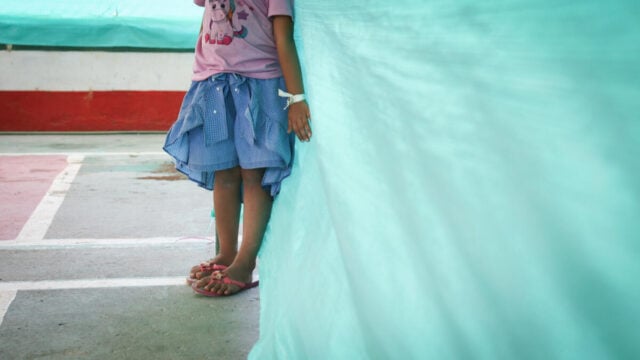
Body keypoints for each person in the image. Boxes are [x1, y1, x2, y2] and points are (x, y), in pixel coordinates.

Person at [164, 0, 310, 296]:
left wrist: (296, 98)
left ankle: (244, 262)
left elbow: (284, 37)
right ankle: (226, 254)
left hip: (260, 86)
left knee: (253, 174)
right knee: (224, 171)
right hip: (212, 82)